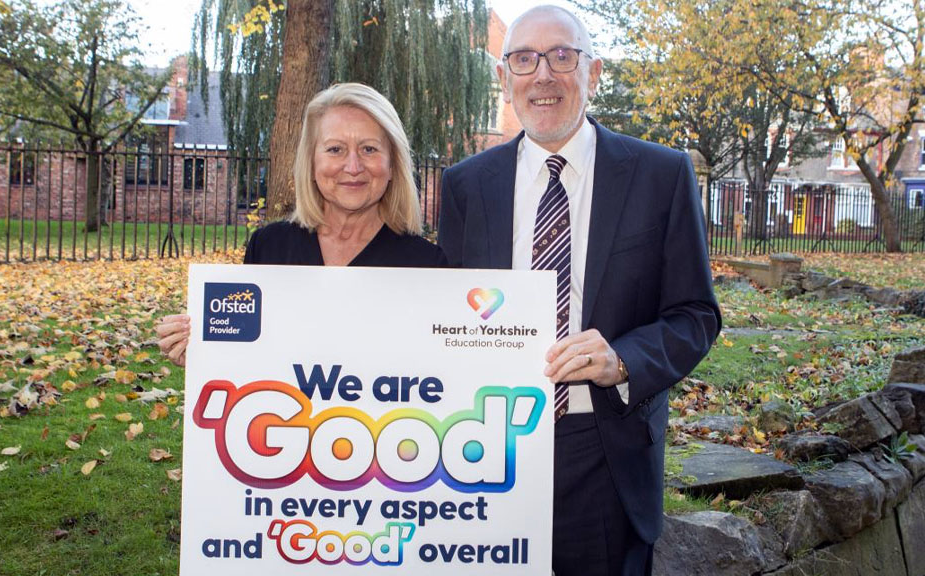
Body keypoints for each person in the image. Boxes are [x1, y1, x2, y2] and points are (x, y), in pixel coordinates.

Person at [437, 6, 721, 576]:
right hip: (485, 445)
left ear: (593, 73)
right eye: (524, 59)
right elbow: (445, 312)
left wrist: (623, 359)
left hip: (605, 451)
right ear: (504, 78)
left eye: (562, 56)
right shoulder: (466, 184)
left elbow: (695, 314)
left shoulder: (660, 175)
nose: (542, 75)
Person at [158, 83, 446, 365]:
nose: (354, 167)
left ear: (393, 165)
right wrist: (201, 351)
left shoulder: (426, 265)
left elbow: (441, 374)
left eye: (369, 149)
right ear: (310, 163)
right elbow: (248, 358)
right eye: (335, 149)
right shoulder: (268, 248)